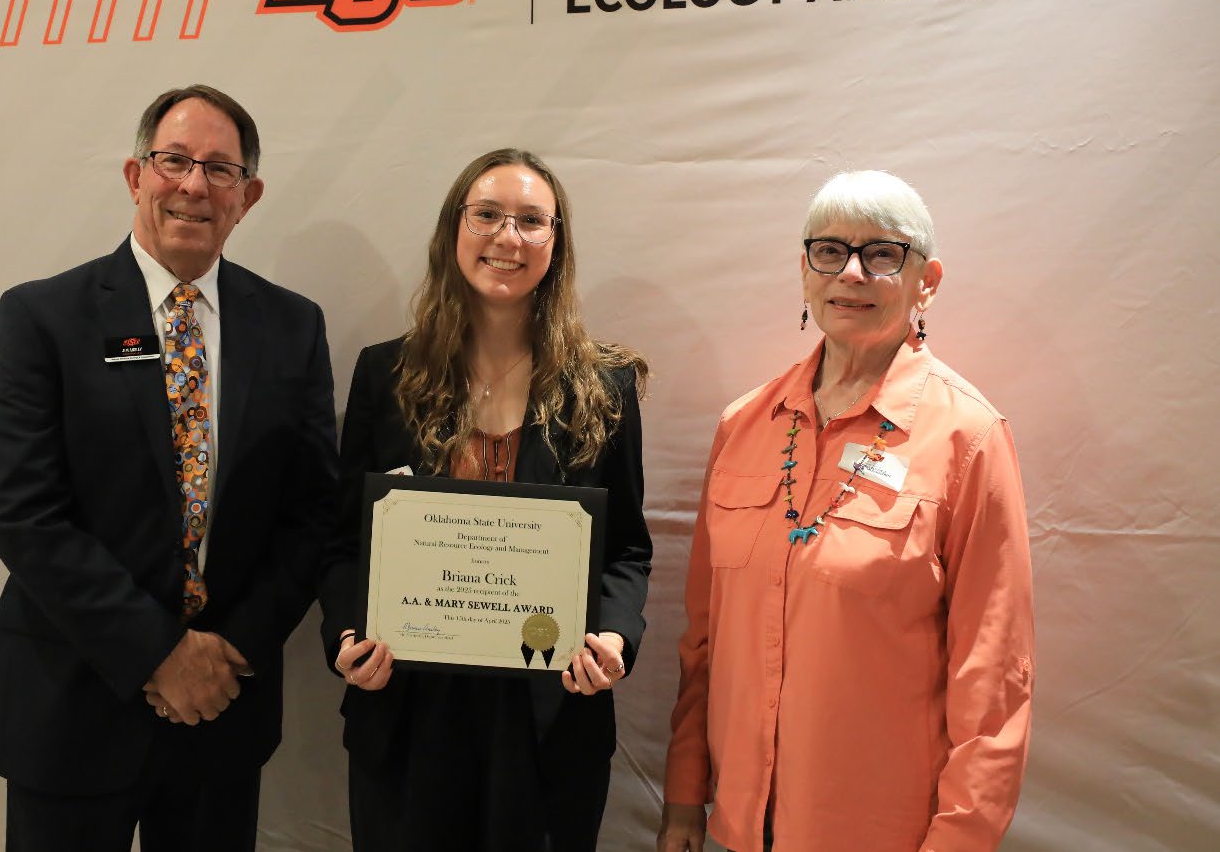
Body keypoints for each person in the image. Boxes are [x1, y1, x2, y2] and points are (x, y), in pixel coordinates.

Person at [0, 85, 338, 851]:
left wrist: (225, 653)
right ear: (136, 177)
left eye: (220, 169)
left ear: (249, 195)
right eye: (174, 161)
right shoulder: (45, 317)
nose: (194, 185)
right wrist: (159, 654)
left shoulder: (292, 326)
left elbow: (311, 514)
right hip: (72, 702)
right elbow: (24, 513)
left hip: (221, 712)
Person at [659, 170, 1034, 852]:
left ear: (928, 279)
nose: (851, 272)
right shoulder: (744, 425)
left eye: (882, 253)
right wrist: (685, 797)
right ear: (805, 272)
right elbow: (703, 642)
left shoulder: (968, 438)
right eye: (829, 250)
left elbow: (994, 680)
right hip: (739, 827)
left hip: (883, 832)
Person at [318, 148, 651, 851]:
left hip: (550, 712)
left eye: (532, 220)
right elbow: (347, 540)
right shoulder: (386, 374)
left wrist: (615, 638)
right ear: (454, 231)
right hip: (408, 710)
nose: (508, 237)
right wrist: (347, 636)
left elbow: (625, 547)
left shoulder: (606, 385)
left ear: (556, 243)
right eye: (489, 215)